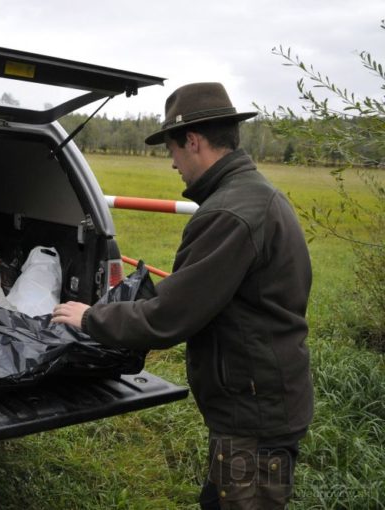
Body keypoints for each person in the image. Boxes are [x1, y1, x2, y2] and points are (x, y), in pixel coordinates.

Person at [52, 82, 313, 509]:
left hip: (254, 415)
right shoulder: (255, 194)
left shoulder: (229, 213)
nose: (172, 162)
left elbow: (169, 315)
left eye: (172, 149)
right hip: (261, 399)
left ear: (192, 141)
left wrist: (89, 318)